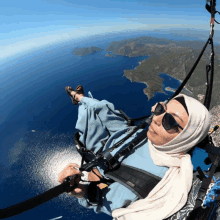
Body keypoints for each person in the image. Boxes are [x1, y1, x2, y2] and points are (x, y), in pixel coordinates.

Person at [58, 85, 211, 220]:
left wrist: (80, 192)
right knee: (102, 106)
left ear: (186, 137)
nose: (156, 118)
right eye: (160, 108)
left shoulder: (158, 181)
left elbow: (104, 200)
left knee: (86, 119)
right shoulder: (159, 142)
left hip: (102, 150)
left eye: (170, 121)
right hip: (128, 132)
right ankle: (81, 97)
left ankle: (78, 98)